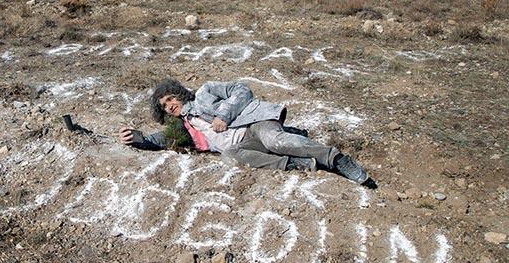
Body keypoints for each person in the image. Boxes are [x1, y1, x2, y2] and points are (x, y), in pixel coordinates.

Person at [118, 79, 370, 184]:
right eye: (164, 106)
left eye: (170, 98)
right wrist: (138, 138)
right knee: (230, 156)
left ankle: (336, 159)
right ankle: (297, 163)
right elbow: (159, 140)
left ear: (179, 93)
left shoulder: (205, 92)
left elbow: (242, 90)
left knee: (274, 139)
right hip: (243, 146)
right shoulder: (182, 128)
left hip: (254, 124)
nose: (170, 106)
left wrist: (222, 115)